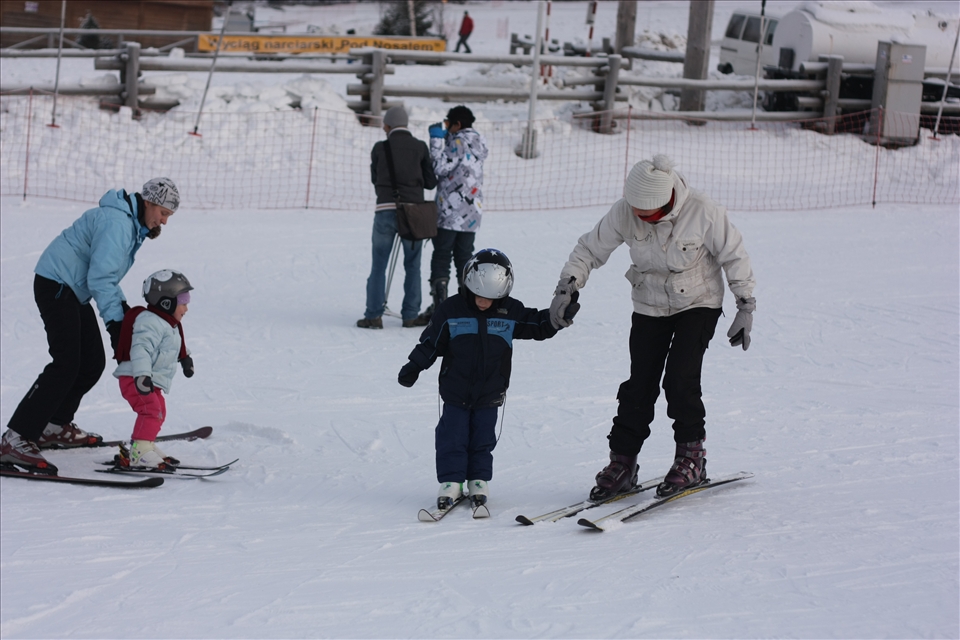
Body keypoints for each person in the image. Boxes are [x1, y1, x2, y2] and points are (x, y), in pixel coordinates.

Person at [549, 154, 756, 500]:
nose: (639, 218)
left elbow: (734, 254)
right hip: (649, 304)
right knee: (639, 384)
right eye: (636, 211)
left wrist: (745, 305)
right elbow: (590, 249)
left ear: (666, 202)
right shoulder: (625, 211)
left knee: (680, 379)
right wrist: (567, 286)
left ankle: (692, 458)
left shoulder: (703, 210)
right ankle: (623, 463)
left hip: (698, 302)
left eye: (646, 213)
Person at [0, 178, 180, 475]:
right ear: (148, 202)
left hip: (73, 288)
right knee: (66, 362)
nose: (164, 221)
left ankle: (53, 426)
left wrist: (121, 315)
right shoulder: (118, 224)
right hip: (57, 283)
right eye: (163, 212)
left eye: (169, 216)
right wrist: (115, 321)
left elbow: (103, 277)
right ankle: (15, 438)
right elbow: (101, 278)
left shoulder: (130, 224)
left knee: (91, 363)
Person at [398, 249, 577, 510]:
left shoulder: (509, 311)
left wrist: (557, 317)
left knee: (483, 437)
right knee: (452, 436)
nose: (484, 302)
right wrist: (414, 366)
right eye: (479, 296)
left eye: (492, 298)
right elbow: (431, 342)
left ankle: (478, 479)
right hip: (455, 389)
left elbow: (537, 326)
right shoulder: (451, 310)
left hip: (491, 390)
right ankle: (451, 481)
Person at [358, 106, 438, 329]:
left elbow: (375, 178)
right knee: (413, 265)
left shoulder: (379, 148)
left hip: (384, 210)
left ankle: (373, 316)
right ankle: (410, 315)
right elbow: (431, 182)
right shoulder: (420, 147)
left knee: (378, 265)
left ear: (387, 125)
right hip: (413, 213)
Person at [411, 105, 489, 327]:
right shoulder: (479, 143)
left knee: (442, 256)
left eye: (449, 124)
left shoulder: (456, 142)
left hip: (449, 212)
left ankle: (441, 308)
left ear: (457, 124)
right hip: (472, 213)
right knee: (465, 259)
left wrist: (436, 140)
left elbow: (439, 167)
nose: (447, 129)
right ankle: (468, 307)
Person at [113, 270, 194, 470]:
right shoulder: (149, 321)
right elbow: (141, 348)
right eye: (183, 300)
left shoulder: (168, 323)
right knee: (151, 410)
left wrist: (185, 358)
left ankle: (145, 445)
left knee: (159, 411)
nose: (186, 307)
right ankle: (140, 451)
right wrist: (142, 375)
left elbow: (172, 345)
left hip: (148, 379)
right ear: (165, 302)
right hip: (136, 377)